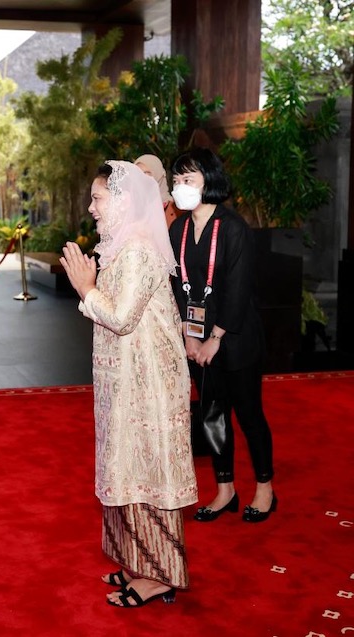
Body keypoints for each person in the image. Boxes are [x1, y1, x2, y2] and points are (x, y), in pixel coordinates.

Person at [60, 161, 197, 608]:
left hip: (149, 384)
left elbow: (120, 318)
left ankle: (159, 575)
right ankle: (136, 561)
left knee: (146, 472)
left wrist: (86, 289)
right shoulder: (121, 247)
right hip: (125, 381)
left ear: (121, 200)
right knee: (124, 466)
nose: (91, 207)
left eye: (98, 198)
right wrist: (91, 287)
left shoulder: (137, 249)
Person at [168, 147, 276, 523]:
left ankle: (265, 487)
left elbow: (239, 288)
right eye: (177, 180)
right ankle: (225, 489)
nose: (180, 187)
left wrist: (215, 337)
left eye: (188, 179)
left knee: (248, 414)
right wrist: (189, 336)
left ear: (209, 180)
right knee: (212, 416)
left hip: (235, 337)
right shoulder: (178, 229)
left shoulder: (233, 227)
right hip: (197, 339)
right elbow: (178, 287)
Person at [135, 154, 182, 228]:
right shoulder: (130, 208)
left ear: (159, 174)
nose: (142, 178)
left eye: (147, 174)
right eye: (138, 174)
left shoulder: (176, 210)